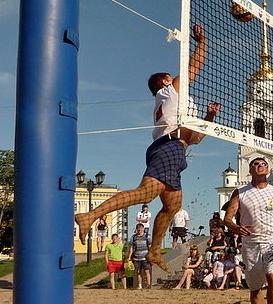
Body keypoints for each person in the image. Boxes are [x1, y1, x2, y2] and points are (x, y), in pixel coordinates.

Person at [75, 24, 219, 271]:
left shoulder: (178, 107)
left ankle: (154, 251)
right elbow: (194, 66)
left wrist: (209, 118)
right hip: (168, 146)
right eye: (171, 77)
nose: (176, 79)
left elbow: (196, 139)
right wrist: (202, 41)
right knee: (145, 194)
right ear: (165, 81)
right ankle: (88, 216)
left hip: (177, 149)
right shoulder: (169, 92)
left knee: (172, 205)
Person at [223, 157, 273, 303]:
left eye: (263, 164)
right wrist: (236, 228)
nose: (260, 166)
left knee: (272, 275)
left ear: (268, 170)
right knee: (255, 287)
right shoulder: (240, 192)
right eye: (255, 164)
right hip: (251, 242)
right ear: (250, 170)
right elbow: (226, 219)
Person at [128, 223, 151, 289]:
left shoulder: (147, 236)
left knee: (146, 271)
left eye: (140, 228)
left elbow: (149, 246)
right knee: (138, 272)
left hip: (145, 257)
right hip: (136, 257)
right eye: (138, 229)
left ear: (143, 229)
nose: (139, 230)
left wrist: (150, 255)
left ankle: (148, 284)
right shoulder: (134, 237)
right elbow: (132, 247)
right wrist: (129, 257)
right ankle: (140, 285)